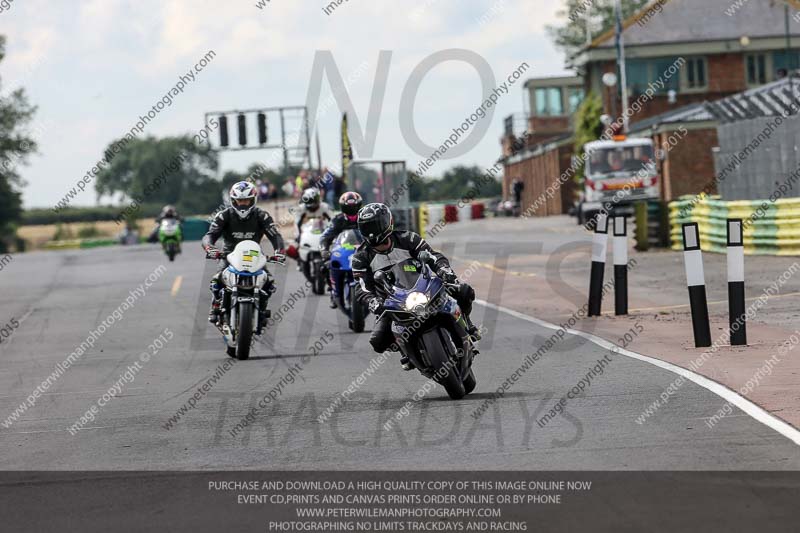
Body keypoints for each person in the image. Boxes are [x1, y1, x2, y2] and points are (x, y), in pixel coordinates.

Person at [351, 203, 479, 370]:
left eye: (375, 225)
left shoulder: (408, 239)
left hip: (424, 287)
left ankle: (467, 325)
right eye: (367, 227)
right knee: (378, 341)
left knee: (463, 291)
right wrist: (373, 302)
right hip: (390, 302)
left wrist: (445, 272)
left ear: (387, 222)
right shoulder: (361, 257)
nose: (372, 231)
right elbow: (361, 287)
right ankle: (408, 352)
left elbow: (433, 256)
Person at [202, 181, 286, 324]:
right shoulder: (224, 215)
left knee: (269, 283)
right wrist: (210, 248)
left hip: (254, 256)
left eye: (246, 200)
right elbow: (209, 235)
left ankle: (261, 308)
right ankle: (216, 303)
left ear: (253, 200)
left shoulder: (262, 216)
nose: (243, 204)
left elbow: (275, 236)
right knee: (217, 280)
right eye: (239, 201)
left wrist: (279, 251)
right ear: (233, 200)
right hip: (228, 255)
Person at [320, 191, 363, 308]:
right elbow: (325, 236)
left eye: (354, 206)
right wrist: (324, 249)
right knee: (325, 266)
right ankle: (334, 292)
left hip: (363, 250)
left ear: (359, 205)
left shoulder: (364, 217)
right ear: (343, 207)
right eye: (348, 207)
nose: (352, 209)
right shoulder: (337, 220)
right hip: (343, 250)